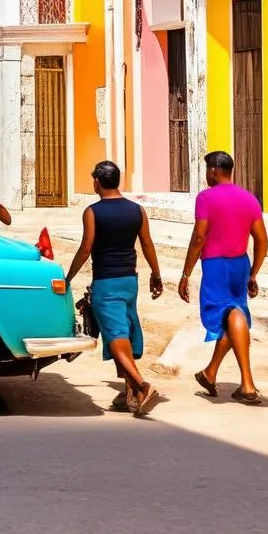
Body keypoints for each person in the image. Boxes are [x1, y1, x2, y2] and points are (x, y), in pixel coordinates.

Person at [65, 161, 163, 417]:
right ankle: (130, 394)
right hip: (129, 281)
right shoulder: (137, 210)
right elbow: (147, 244)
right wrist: (156, 273)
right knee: (126, 330)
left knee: (115, 333)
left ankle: (142, 386)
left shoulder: (92, 212)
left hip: (106, 281)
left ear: (98, 181)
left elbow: (86, 248)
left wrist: (68, 277)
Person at [180, 151, 268, 405]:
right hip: (240, 264)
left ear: (214, 171)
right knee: (234, 314)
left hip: (216, 265)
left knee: (232, 314)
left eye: (207, 169)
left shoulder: (206, 198)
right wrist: (253, 273)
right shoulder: (249, 199)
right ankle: (211, 372)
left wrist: (186, 273)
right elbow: (262, 240)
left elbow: (199, 237)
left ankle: (248, 385)